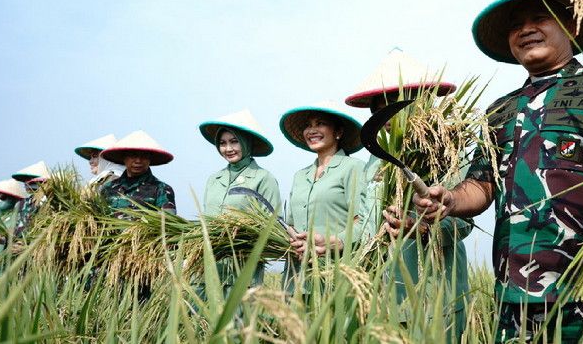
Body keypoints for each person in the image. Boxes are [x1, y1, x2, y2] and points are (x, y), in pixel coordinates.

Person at [414, 0, 583, 343]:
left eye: (540, 17)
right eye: (515, 25)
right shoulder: (500, 110)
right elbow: (482, 183)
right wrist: (450, 201)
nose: (526, 29)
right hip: (516, 297)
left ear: (569, 25)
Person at [345, 48, 471, 340]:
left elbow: (465, 219)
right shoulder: (374, 161)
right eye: (381, 109)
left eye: (397, 105)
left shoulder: (444, 151)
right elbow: (365, 222)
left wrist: (424, 228)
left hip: (435, 293)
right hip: (384, 292)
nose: (389, 117)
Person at [279, 102, 366, 282]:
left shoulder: (353, 168)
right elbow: (291, 226)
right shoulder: (300, 176)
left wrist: (333, 241)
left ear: (338, 132)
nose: (312, 130)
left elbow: (363, 223)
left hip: (337, 271)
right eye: (307, 126)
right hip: (297, 274)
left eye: (320, 123)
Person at [199, 109, 281, 288]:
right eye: (222, 143)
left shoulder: (263, 178)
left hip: (243, 270)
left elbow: (272, 225)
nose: (228, 149)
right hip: (209, 269)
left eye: (234, 142)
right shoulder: (214, 180)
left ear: (246, 142)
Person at [99, 130, 177, 218]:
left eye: (144, 156)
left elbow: (166, 222)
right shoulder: (108, 188)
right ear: (124, 158)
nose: (138, 161)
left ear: (150, 159)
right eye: (133, 155)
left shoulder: (161, 189)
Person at [0, 179, 26, 264]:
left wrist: (4, 239)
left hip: (3, 259)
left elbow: (19, 237)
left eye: (2, 198)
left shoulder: (20, 217)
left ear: (13, 199)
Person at [11, 161, 50, 237]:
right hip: (18, 243)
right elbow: (15, 226)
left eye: (30, 180)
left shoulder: (49, 201)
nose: (26, 184)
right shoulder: (22, 203)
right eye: (25, 181)